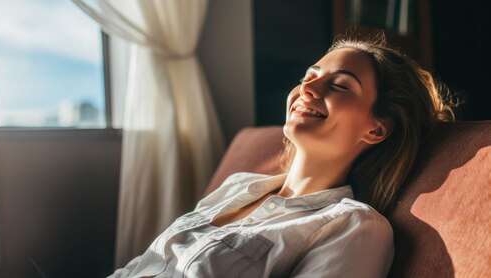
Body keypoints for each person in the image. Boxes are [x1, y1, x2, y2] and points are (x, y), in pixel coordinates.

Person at [109, 34, 456, 277]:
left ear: (377, 129)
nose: (307, 88)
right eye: (309, 77)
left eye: (339, 85)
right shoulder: (237, 186)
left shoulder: (355, 227)